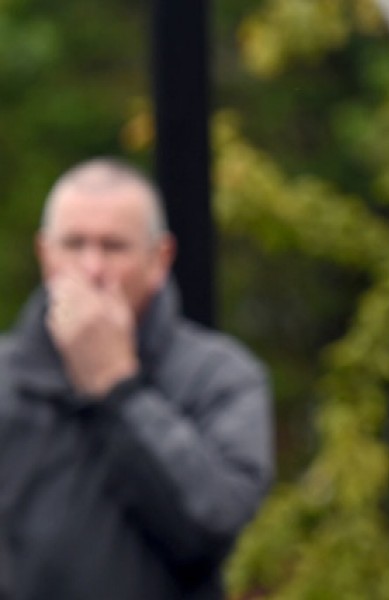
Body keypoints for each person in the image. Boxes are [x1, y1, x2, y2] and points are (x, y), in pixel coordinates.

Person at [0, 158, 274, 599]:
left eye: (113, 247)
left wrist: (118, 388)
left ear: (159, 259)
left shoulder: (220, 377)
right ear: (45, 253)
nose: (92, 268)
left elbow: (213, 522)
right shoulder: (8, 378)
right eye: (73, 244)